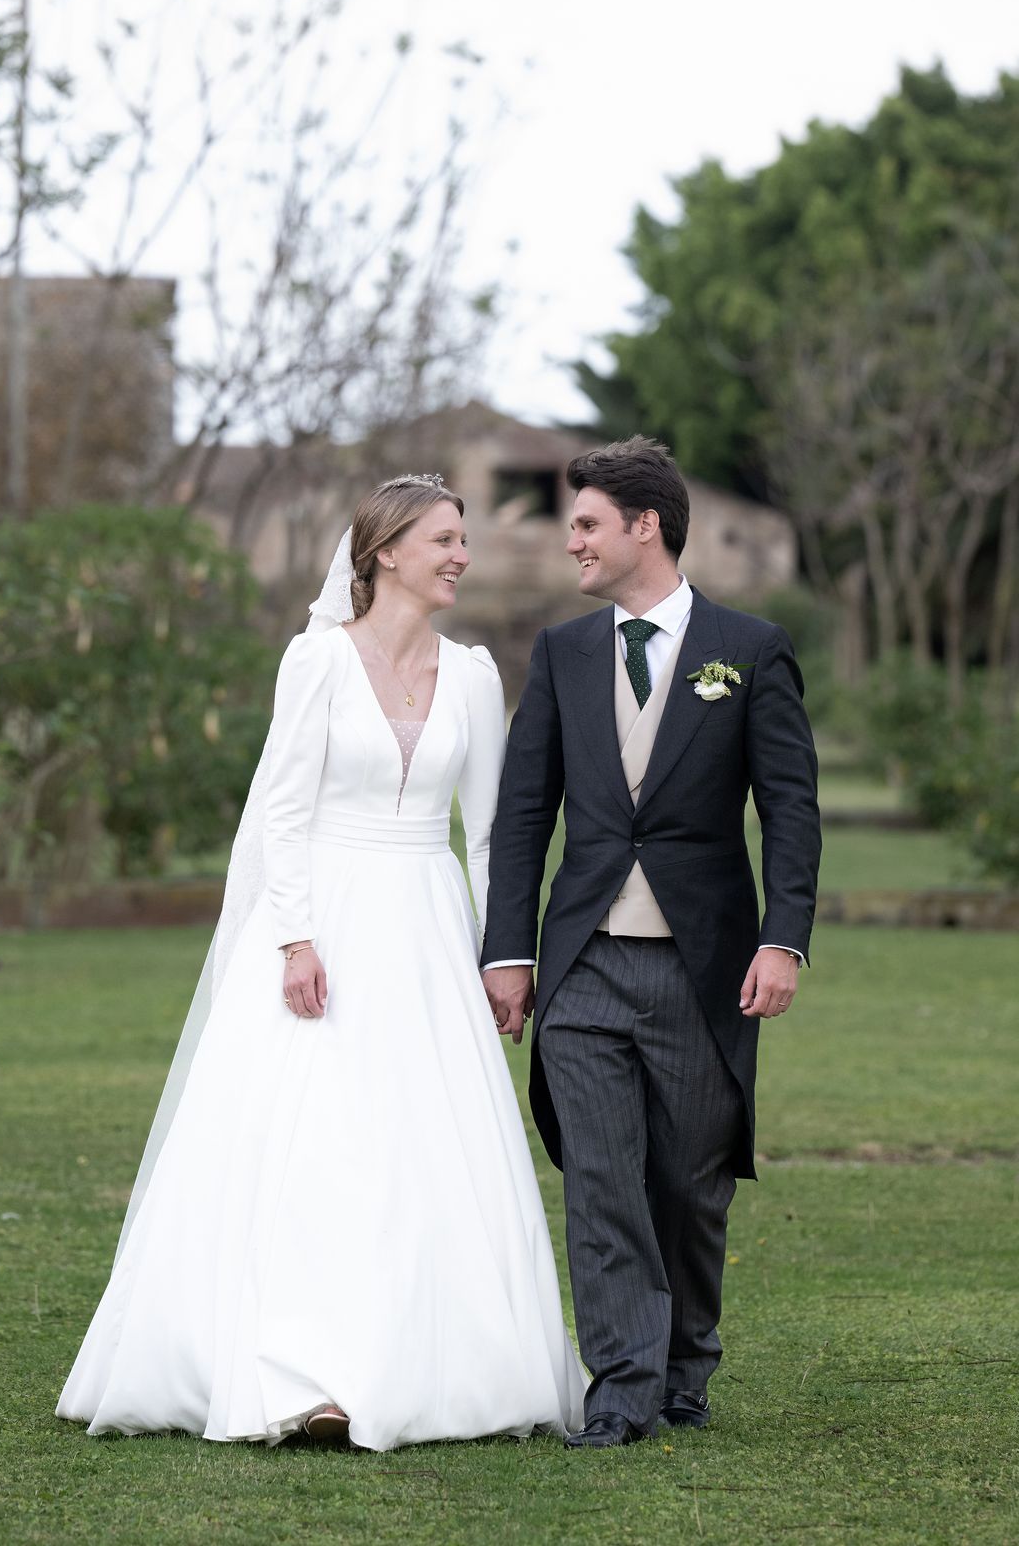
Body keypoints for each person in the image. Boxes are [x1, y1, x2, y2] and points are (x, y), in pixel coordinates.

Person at [57, 474, 585, 1451]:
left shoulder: (473, 675)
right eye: (444, 539)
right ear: (386, 552)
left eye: (463, 540)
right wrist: (294, 937)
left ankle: (440, 1365)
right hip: (327, 924)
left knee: (426, 1143)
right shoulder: (317, 663)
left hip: (428, 929)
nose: (462, 556)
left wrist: (497, 952)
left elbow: (489, 835)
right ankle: (300, 1368)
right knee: (315, 1134)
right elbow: (284, 812)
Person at [481, 437, 821, 1449]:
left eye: (585, 522)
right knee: (601, 1180)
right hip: (583, 963)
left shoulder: (749, 649)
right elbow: (523, 809)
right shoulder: (561, 652)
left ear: (645, 527)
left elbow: (792, 812)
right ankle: (622, 1388)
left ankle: (684, 1368)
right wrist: (509, 949)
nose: (569, 539)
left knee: (687, 1184)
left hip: (703, 965)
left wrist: (784, 940)